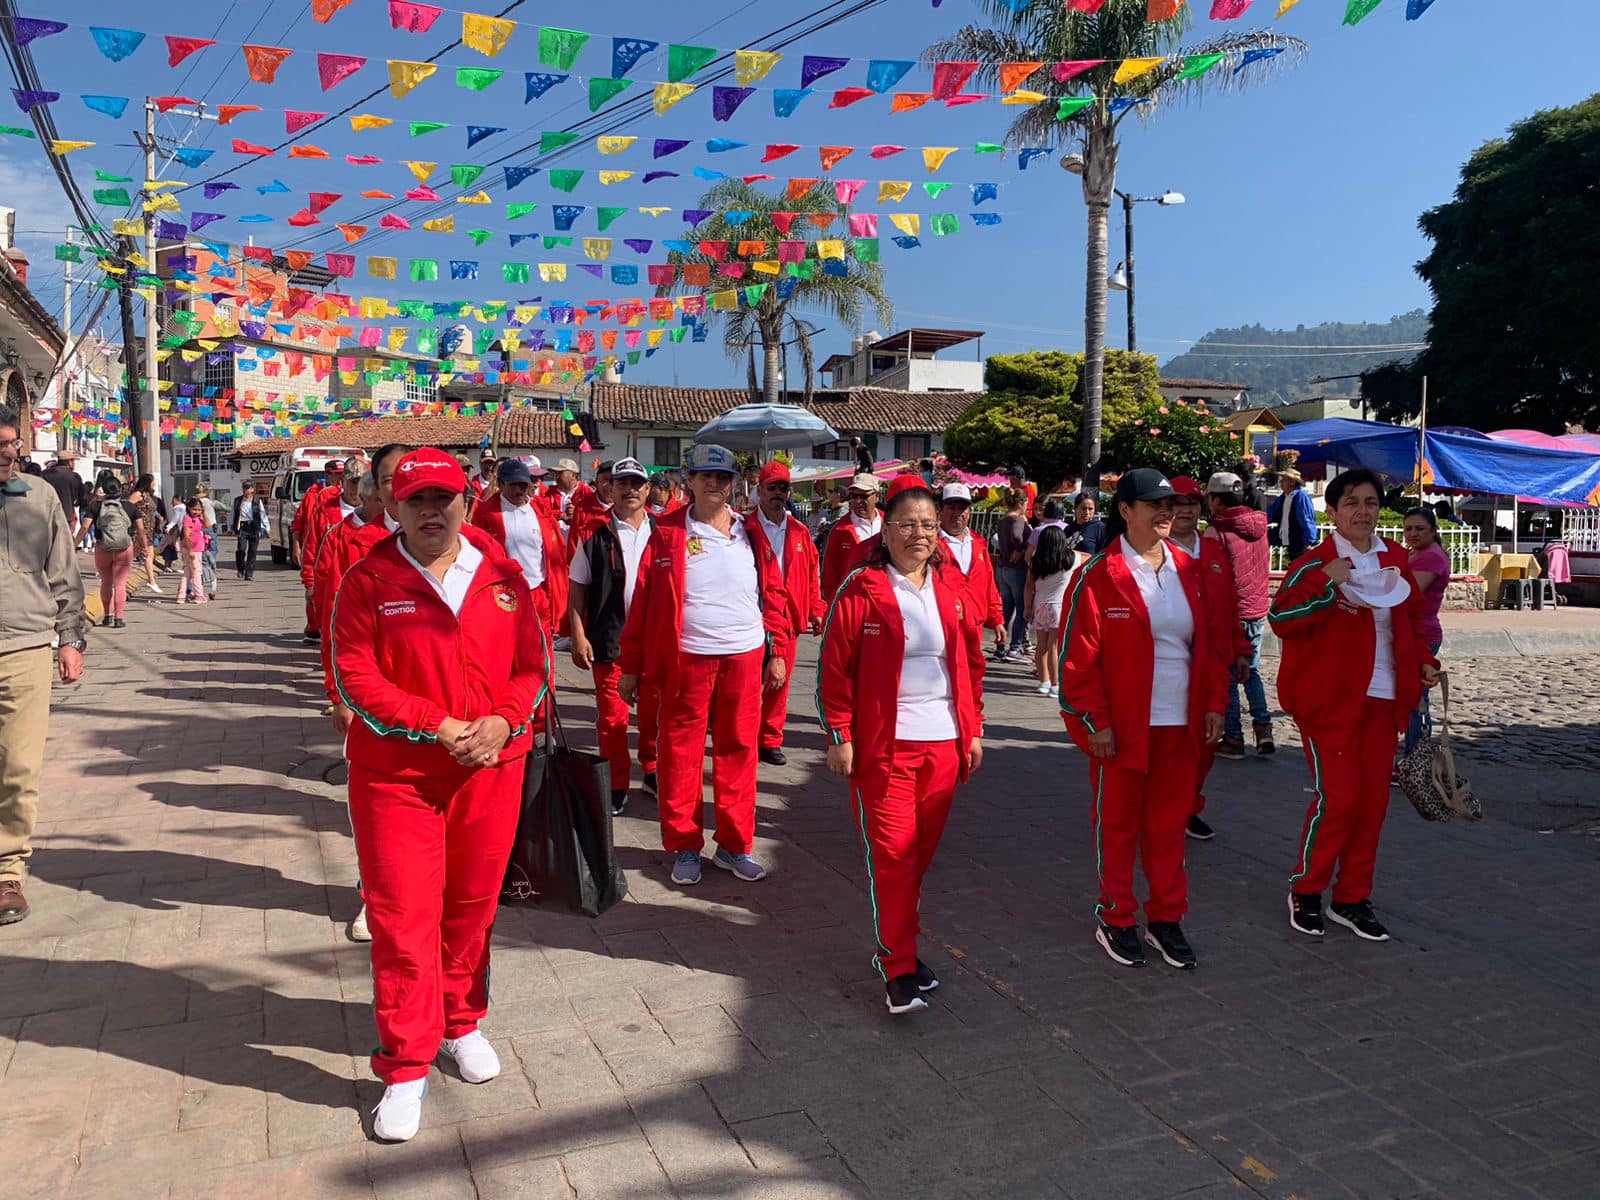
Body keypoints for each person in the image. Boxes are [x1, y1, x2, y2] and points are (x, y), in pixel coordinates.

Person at [330, 447, 548, 1142]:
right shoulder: (368, 581)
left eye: (444, 498)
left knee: (472, 909)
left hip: (492, 768)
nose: (432, 511)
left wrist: (503, 721)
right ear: (392, 505)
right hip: (398, 778)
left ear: (467, 501)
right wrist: (439, 724)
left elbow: (532, 668)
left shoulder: (506, 580)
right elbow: (355, 678)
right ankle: (403, 1065)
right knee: (402, 919)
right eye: (416, 499)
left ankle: (460, 1021)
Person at [818, 478, 985, 1014]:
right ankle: (897, 967)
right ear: (885, 531)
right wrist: (840, 734)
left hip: (944, 745)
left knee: (917, 859)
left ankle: (904, 948)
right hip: (884, 748)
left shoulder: (952, 590)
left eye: (929, 525)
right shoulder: (862, 588)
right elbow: (834, 671)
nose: (920, 534)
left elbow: (971, 665)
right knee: (892, 857)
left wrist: (974, 728)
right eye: (908, 524)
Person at [1059, 469, 1228, 971]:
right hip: (1125, 726)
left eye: (1169, 504)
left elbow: (1211, 645)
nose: (1165, 512)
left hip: (1182, 721)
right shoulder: (1098, 575)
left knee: (1168, 825)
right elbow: (1079, 660)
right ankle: (1116, 915)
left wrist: (1215, 702)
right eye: (1153, 504)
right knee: (1118, 826)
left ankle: (1166, 917)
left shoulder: (1188, 568)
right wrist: (1097, 723)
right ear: (1125, 511)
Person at [1272, 467, 1439, 944]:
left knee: (1373, 804)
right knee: (1340, 800)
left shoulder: (1394, 560)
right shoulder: (1315, 561)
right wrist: (1327, 584)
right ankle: (1307, 890)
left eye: (1370, 502)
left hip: (1385, 699)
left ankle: (1351, 897)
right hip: (1331, 701)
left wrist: (1425, 662)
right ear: (1333, 511)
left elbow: (1410, 622)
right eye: (1351, 503)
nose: (1362, 512)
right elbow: (1282, 617)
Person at [616, 443, 792, 887]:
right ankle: (684, 846)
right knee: (680, 754)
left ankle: (734, 845)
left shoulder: (750, 532)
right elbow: (642, 603)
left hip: (744, 655)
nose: (714, 484)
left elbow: (773, 595)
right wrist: (631, 667)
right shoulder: (666, 532)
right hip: (686, 659)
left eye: (723, 478)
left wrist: (778, 651)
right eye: (705, 476)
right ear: (688, 480)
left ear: (734, 484)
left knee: (739, 750)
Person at [0, 407, 87, 925]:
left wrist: (70, 639)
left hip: (26, 648)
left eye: (12, 443)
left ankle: (6, 871)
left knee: (18, 767)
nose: (8, 453)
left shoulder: (40, 495)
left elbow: (64, 571)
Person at [569, 457, 658, 814]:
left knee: (654, 715)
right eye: (623, 483)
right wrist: (578, 634)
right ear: (610, 488)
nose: (630, 490)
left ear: (648, 489)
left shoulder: (665, 532)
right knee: (612, 719)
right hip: (610, 640)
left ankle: (651, 771)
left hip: (655, 641)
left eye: (637, 483)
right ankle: (617, 783)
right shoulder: (594, 534)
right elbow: (577, 588)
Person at [1167, 476, 1249, 843]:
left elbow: (1231, 605)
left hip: (1213, 666)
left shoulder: (1214, 552)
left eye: (1191, 502)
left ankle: (1187, 808)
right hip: (1168, 667)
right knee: (1169, 743)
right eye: (1176, 503)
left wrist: (1241, 651)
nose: (1184, 510)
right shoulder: (1155, 552)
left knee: (1207, 742)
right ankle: (1160, 807)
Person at [751, 460, 824, 767]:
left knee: (780, 685)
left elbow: (811, 573)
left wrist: (816, 608)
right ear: (759, 490)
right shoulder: (745, 528)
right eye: (772, 487)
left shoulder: (800, 532)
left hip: (789, 617)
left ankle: (769, 740)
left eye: (783, 487)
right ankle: (745, 736)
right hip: (754, 616)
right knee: (752, 683)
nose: (778, 493)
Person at [1204, 472, 1274, 764]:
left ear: (1216, 500)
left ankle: (1233, 737)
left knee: (1229, 675)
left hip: (1232, 610)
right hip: (1258, 608)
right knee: (1252, 670)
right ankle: (1263, 728)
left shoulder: (1216, 531)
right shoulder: (1260, 527)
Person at [469, 457, 570, 648]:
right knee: (507, 650)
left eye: (523, 485)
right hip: (502, 595)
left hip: (537, 593)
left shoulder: (541, 511)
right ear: (500, 484)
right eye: (513, 485)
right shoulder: (486, 514)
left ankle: (546, 679)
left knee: (542, 651)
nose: (519, 491)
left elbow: (556, 555)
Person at [1401, 506, 1450, 757]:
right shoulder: (1415, 554)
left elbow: (1408, 593)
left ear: (1432, 530)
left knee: (1416, 700)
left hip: (1422, 633)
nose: (1413, 534)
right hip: (1411, 631)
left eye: (1420, 529)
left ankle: (1417, 759)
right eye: (1408, 529)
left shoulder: (1431, 557)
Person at [936, 483, 1004, 658]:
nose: (957, 513)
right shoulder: (929, 544)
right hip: (940, 628)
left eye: (962, 508)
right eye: (951, 507)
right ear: (940, 510)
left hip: (973, 628)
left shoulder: (978, 544)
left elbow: (989, 584)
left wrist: (996, 619)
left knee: (973, 677)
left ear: (969, 511)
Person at [87, 478, 141, 630]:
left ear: (103, 490)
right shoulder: (130, 507)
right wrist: (143, 546)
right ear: (120, 490)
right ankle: (118, 618)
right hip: (124, 549)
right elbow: (141, 529)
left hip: (102, 548)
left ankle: (107, 616)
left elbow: (85, 526)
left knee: (106, 582)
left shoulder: (95, 506)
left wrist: (75, 543)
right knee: (120, 585)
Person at [1024, 526, 1072, 697]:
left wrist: (1027, 607)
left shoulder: (1036, 562)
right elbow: (1089, 557)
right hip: (1058, 608)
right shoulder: (1071, 559)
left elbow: (1029, 586)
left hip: (1040, 607)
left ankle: (1043, 682)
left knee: (1041, 647)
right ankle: (1055, 684)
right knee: (1054, 647)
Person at [820, 473, 881, 605]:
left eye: (864, 496)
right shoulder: (839, 530)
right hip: (853, 604)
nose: (858, 501)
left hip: (885, 602)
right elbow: (829, 575)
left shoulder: (889, 523)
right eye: (854, 496)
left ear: (877, 496)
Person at [994, 490, 1031, 662]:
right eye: (1026, 503)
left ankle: (1000, 646)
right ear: (1020, 503)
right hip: (1016, 568)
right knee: (1023, 608)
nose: (1027, 507)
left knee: (1006, 608)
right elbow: (1017, 536)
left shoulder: (1003, 520)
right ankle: (1014, 647)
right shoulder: (1016, 519)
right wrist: (1020, 549)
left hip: (1003, 568)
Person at [1269, 467, 1318, 562]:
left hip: (1299, 542)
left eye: (1283, 480)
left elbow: (1306, 520)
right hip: (1290, 542)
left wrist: (1308, 542)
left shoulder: (1300, 497)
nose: (1281, 483)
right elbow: (1271, 513)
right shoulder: (1283, 498)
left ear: (1292, 482)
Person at [127, 474, 163, 594]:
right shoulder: (138, 494)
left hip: (149, 530)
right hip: (140, 529)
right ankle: (152, 581)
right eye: (153, 482)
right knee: (140, 554)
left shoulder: (148, 495)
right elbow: (128, 507)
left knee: (148, 555)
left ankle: (152, 581)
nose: (154, 484)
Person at [40, 449, 86, 540]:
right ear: (69, 462)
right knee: (65, 544)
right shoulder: (75, 477)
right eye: (73, 461)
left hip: (47, 515)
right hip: (67, 515)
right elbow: (82, 498)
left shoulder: (45, 474)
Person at [173, 499, 209, 604]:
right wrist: (191, 550)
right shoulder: (188, 519)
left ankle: (181, 596)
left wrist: (204, 513)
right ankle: (198, 595)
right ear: (189, 508)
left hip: (195, 549)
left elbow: (207, 525)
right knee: (196, 572)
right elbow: (186, 535)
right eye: (194, 509)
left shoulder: (197, 518)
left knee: (187, 573)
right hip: (192, 549)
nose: (196, 512)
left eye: (198, 510)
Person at [233, 481, 270, 580]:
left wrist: (267, 527)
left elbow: (262, 514)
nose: (246, 490)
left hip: (254, 527)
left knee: (252, 551)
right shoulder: (238, 501)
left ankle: (249, 574)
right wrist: (231, 527)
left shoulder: (257, 501)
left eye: (248, 488)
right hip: (243, 527)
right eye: (245, 488)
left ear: (252, 489)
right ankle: (240, 569)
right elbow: (234, 515)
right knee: (241, 549)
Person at [1064, 492, 1107, 557]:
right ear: (1075, 509)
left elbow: (1103, 554)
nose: (1087, 512)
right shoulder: (1068, 529)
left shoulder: (1100, 528)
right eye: (1083, 508)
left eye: (1090, 509)